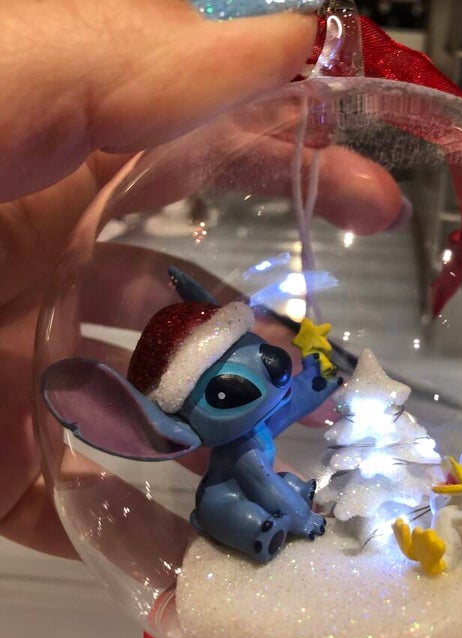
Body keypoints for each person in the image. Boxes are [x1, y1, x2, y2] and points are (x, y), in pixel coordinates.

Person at [0, 0, 406, 557]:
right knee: (248, 504)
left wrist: (309, 385)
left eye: (265, 358)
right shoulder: (241, 453)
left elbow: (281, 409)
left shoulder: (252, 431)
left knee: (284, 482)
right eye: (229, 391)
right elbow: (264, 483)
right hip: (228, 500)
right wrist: (301, 521)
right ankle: (255, 535)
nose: (271, 373)